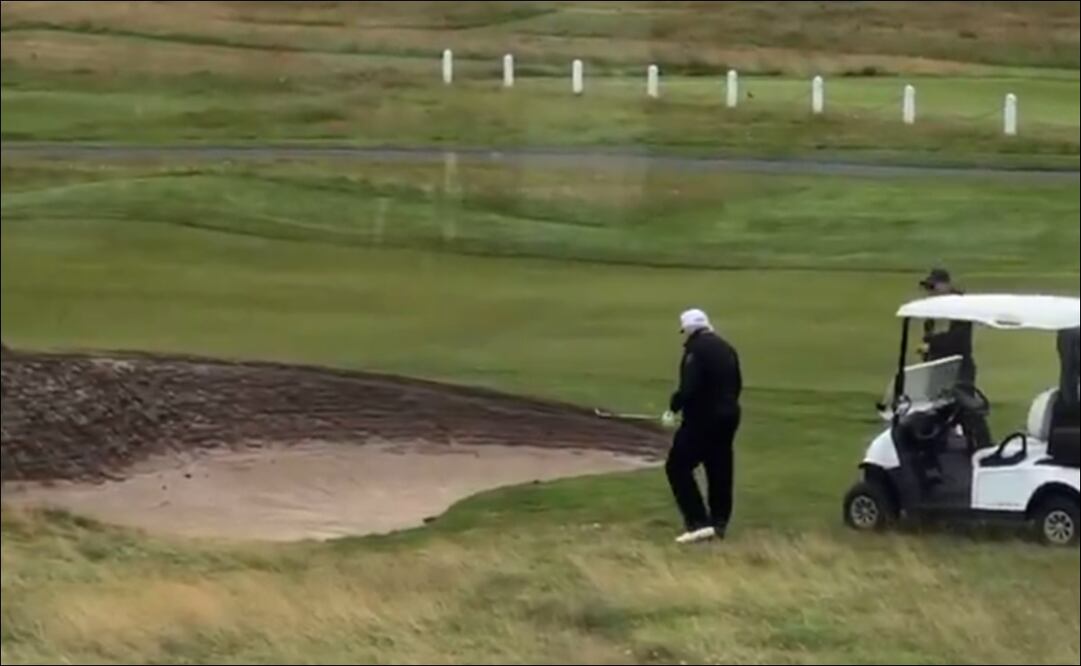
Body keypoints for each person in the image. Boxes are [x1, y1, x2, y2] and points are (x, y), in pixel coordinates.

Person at [664, 308, 743, 545]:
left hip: (702, 419)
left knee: (677, 466)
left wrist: (674, 407)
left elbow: (689, 387)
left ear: (688, 330)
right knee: (719, 467)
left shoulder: (695, 351)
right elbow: (737, 384)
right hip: (729, 417)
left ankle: (698, 522)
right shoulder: (726, 348)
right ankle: (719, 523)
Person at [918, 268, 976, 386]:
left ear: (946, 286)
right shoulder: (931, 311)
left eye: (933, 287)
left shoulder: (960, 306)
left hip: (958, 369)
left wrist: (931, 346)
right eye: (928, 288)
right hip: (936, 367)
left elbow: (958, 339)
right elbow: (928, 337)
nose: (930, 292)